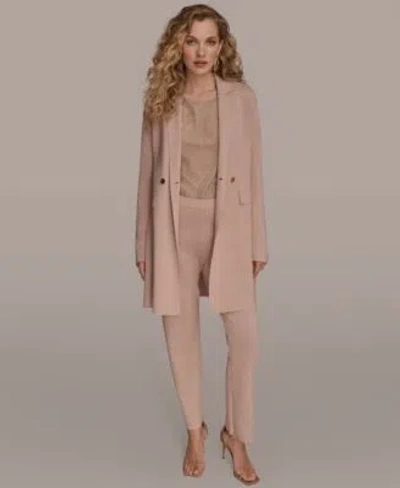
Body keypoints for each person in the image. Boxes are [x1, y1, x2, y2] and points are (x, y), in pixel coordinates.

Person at [135, 4, 268, 484]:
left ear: (221, 47)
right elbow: (146, 174)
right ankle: (196, 430)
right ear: (178, 45)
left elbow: (253, 172)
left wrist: (258, 242)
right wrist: (142, 243)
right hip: (173, 229)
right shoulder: (161, 98)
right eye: (192, 41)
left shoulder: (241, 98)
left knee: (245, 336)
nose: (201, 51)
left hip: (228, 227)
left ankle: (237, 435)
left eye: (210, 42)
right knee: (181, 336)